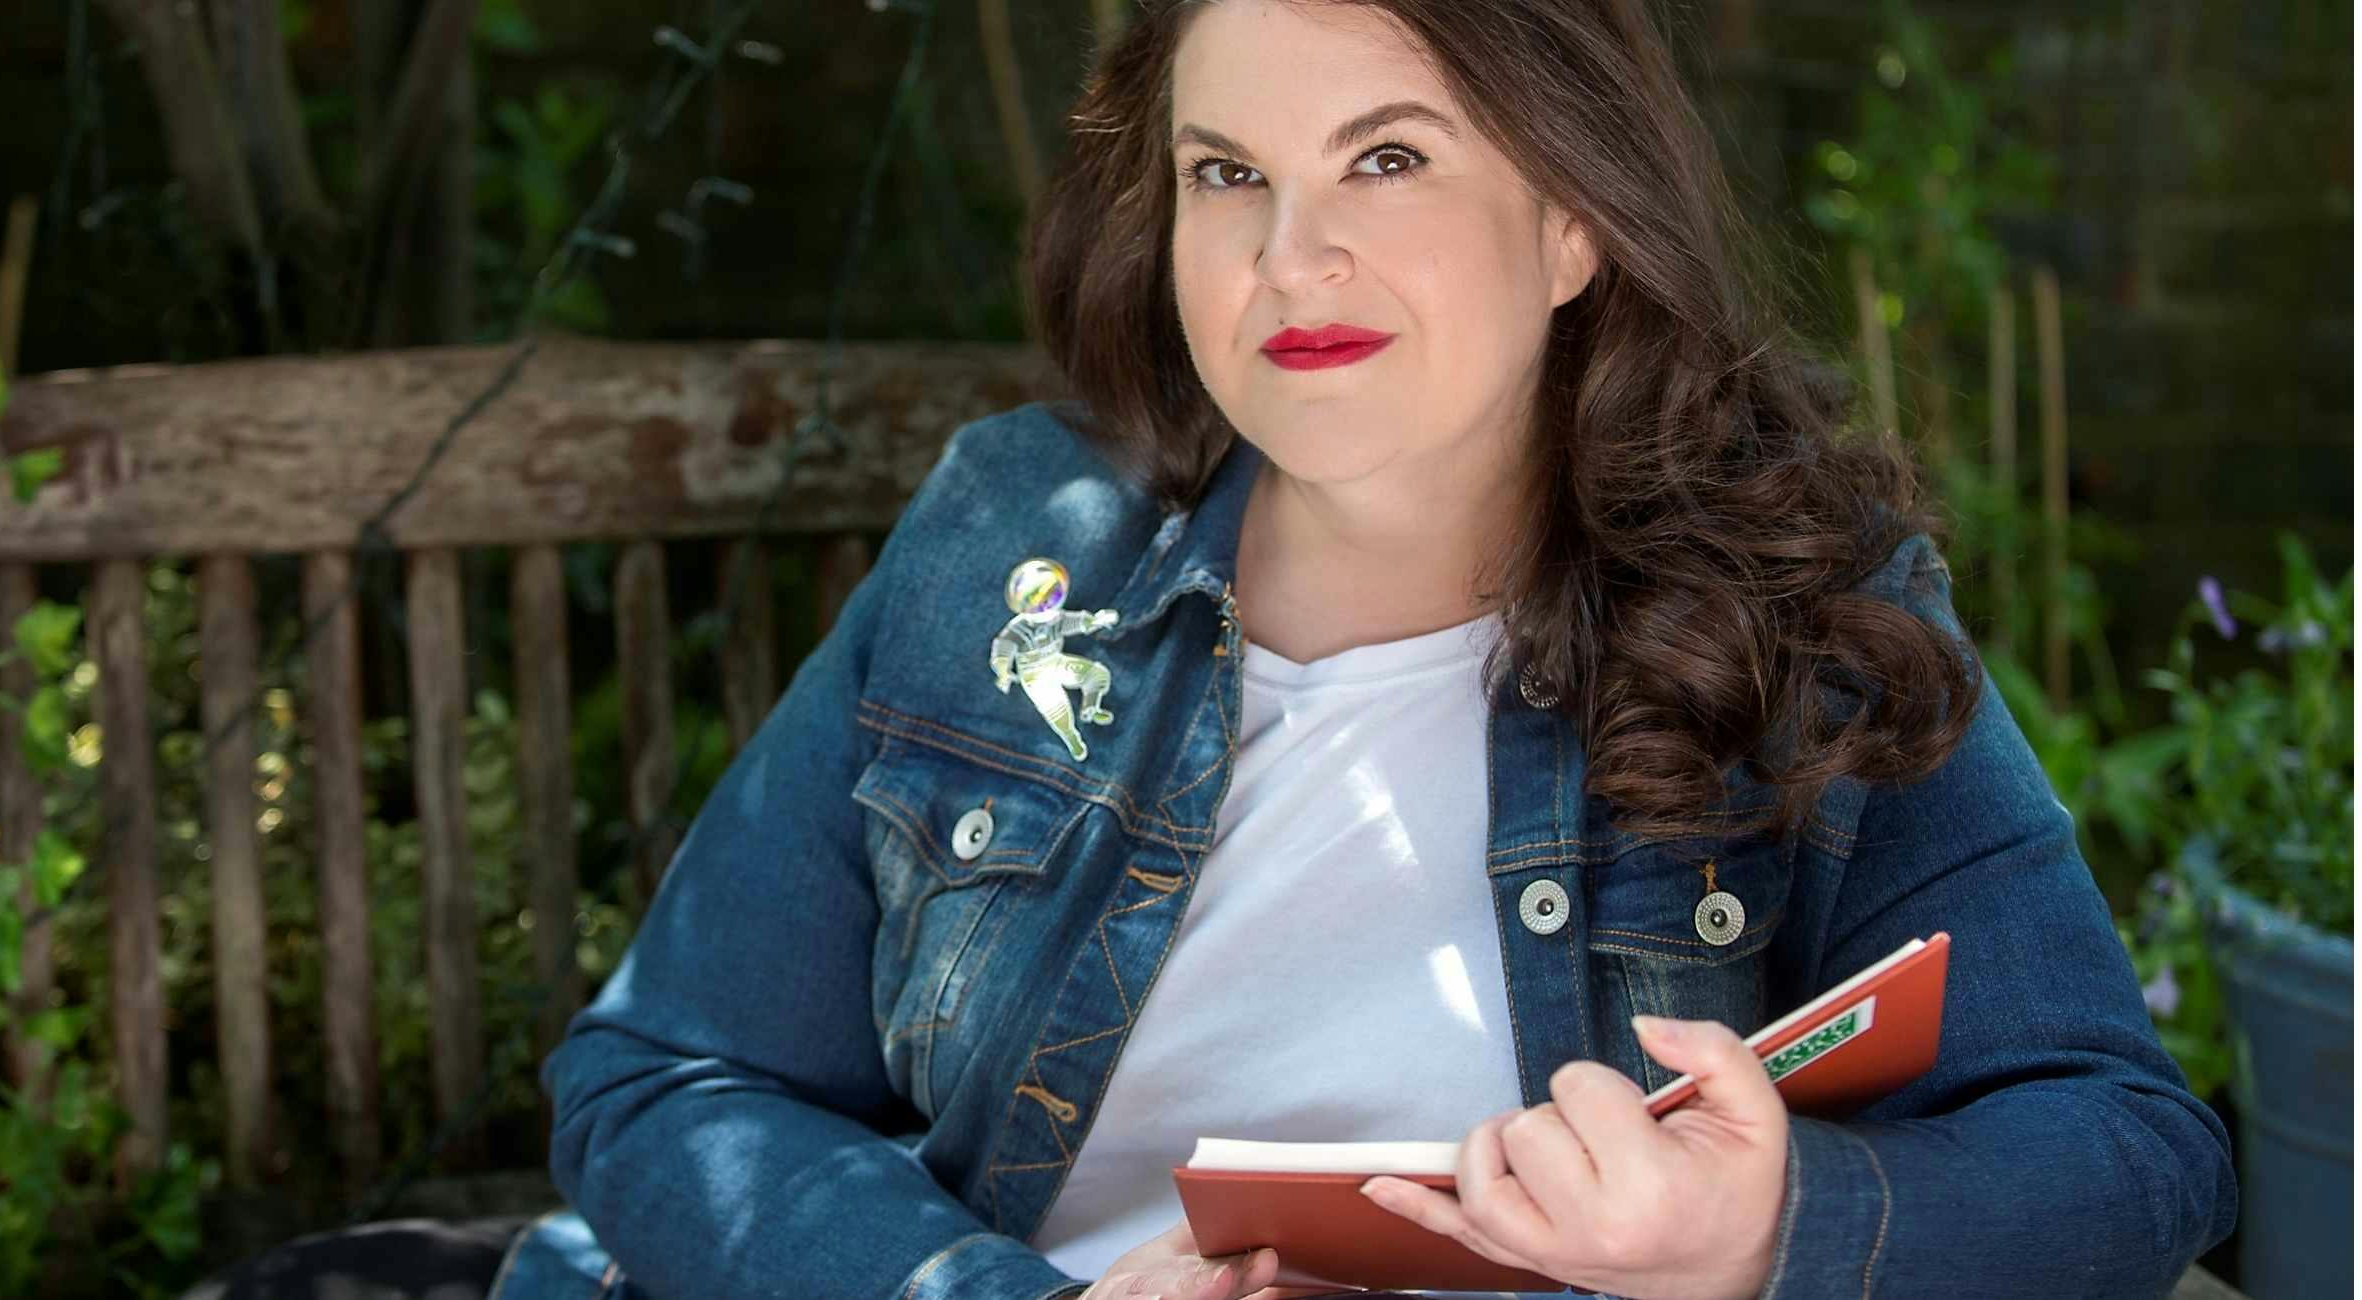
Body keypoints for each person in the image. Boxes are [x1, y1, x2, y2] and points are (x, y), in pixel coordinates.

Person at [234, 0, 2238, 1295]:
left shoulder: (1800, 606)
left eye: (1386, 158)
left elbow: (2125, 1138)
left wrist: (1766, 1225)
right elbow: (669, 1071)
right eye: (1227, 177)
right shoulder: (1012, 544)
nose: (1290, 260)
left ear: (1573, 222)